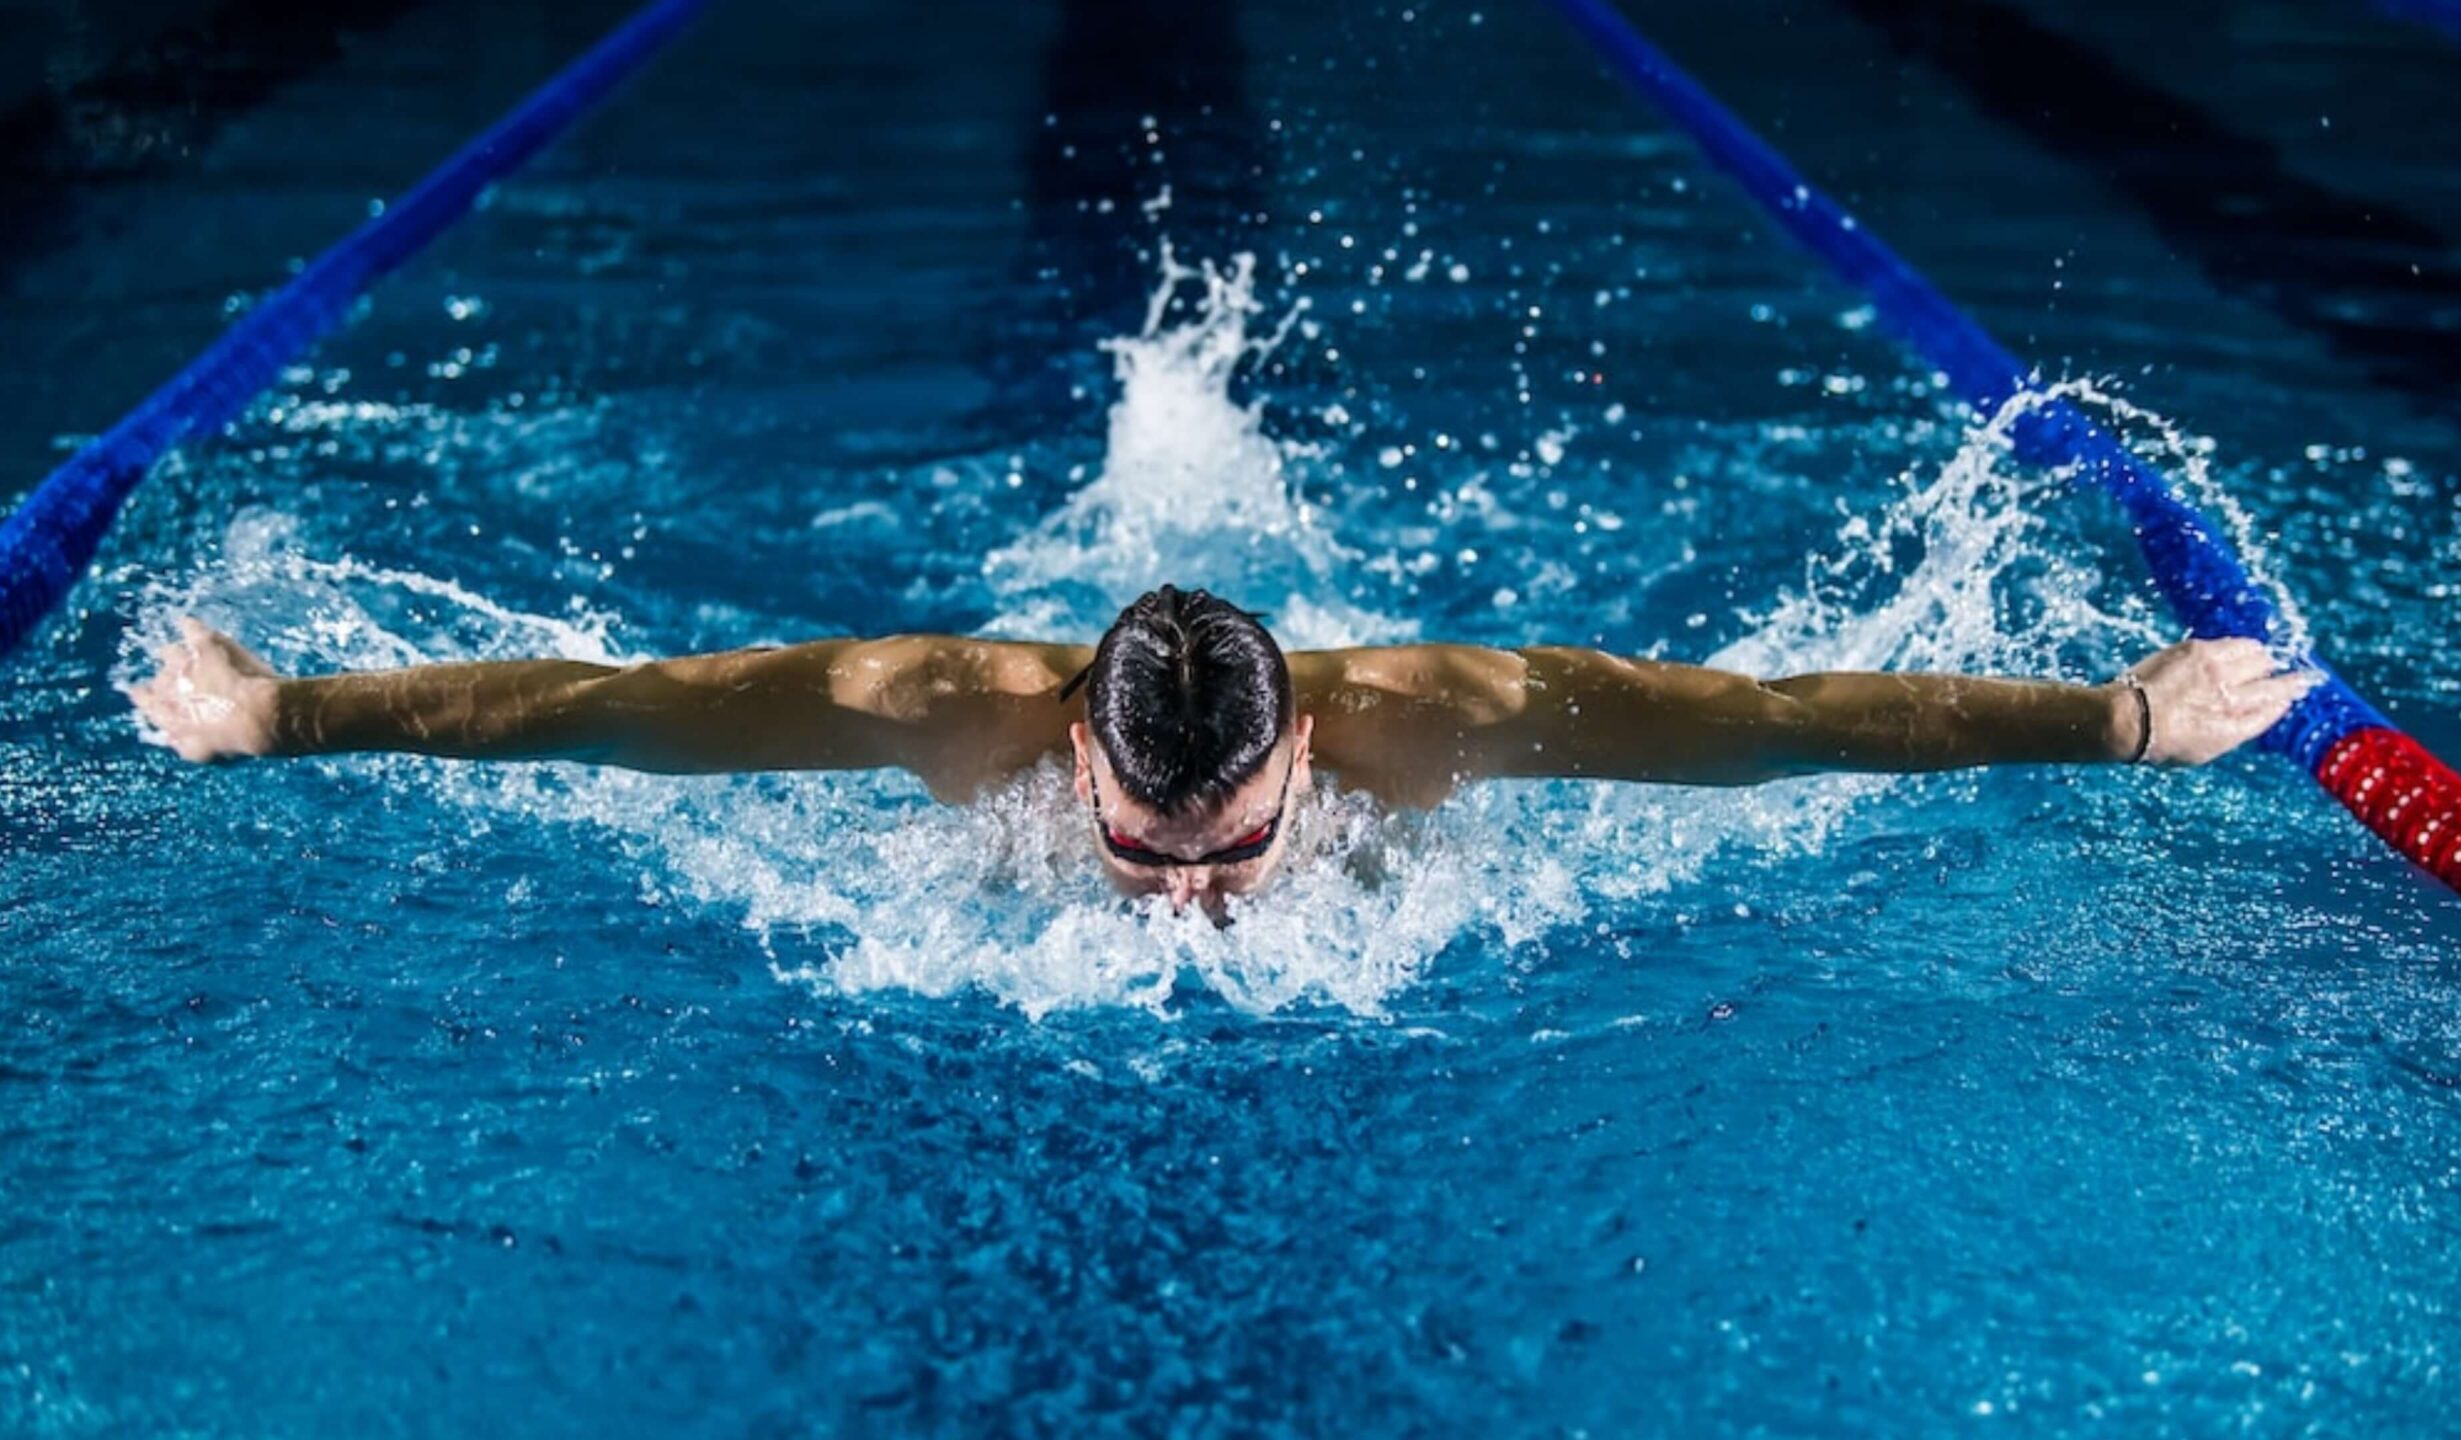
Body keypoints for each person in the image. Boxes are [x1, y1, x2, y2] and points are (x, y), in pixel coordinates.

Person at [127, 585, 2318, 920]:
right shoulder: (927, 708)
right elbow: (600, 711)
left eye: (1233, 839)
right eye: (1148, 846)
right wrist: (279, 716)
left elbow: (1767, 732)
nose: (1191, 897)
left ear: (1303, 757)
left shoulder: (1437, 723)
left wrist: (2119, 719)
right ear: (1067, 738)